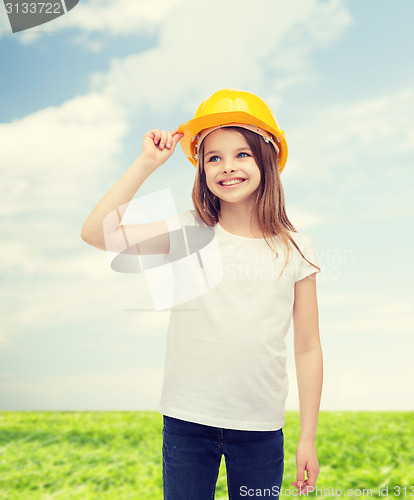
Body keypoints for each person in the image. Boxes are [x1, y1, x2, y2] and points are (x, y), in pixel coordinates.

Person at [81, 88, 323, 499]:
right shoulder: (188, 230)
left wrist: (308, 438)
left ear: (267, 158)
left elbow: (308, 348)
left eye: (242, 154)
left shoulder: (297, 248)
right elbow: (96, 233)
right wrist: (146, 164)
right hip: (186, 422)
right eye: (214, 157)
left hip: (261, 428)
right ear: (201, 168)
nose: (227, 167)